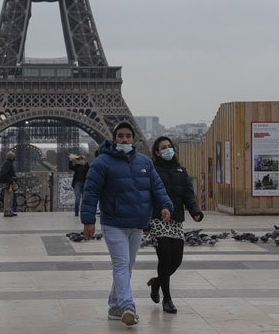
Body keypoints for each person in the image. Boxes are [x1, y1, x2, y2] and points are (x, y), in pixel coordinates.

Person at [81, 122, 173, 326]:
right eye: (120, 136)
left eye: (128, 136)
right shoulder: (102, 162)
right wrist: (88, 220)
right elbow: (90, 192)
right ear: (114, 139)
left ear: (134, 139)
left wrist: (166, 205)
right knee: (122, 265)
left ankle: (114, 307)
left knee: (127, 267)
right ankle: (127, 305)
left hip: (137, 223)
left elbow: (157, 187)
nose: (124, 139)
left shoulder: (144, 162)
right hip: (113, 223)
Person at [147, 136, 203, 313]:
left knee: (176, 261)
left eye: (169, 146)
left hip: (176, 219)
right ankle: (167, 299)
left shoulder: (181, 171)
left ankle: (156, 282)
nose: (167, 149)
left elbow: (188, 194)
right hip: (159, 219)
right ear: (157, 152)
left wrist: (195, 211)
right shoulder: (152, 170)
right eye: (163, 147)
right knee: (164, 258)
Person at [0, 151, 17, 217]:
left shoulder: (7, 163)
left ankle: (9, 210)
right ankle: (7, 211)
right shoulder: (8, 164)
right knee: (8, 197)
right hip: (8, 183)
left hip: (9, 182)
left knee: (10, 197)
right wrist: (10, 179)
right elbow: (5, 174)